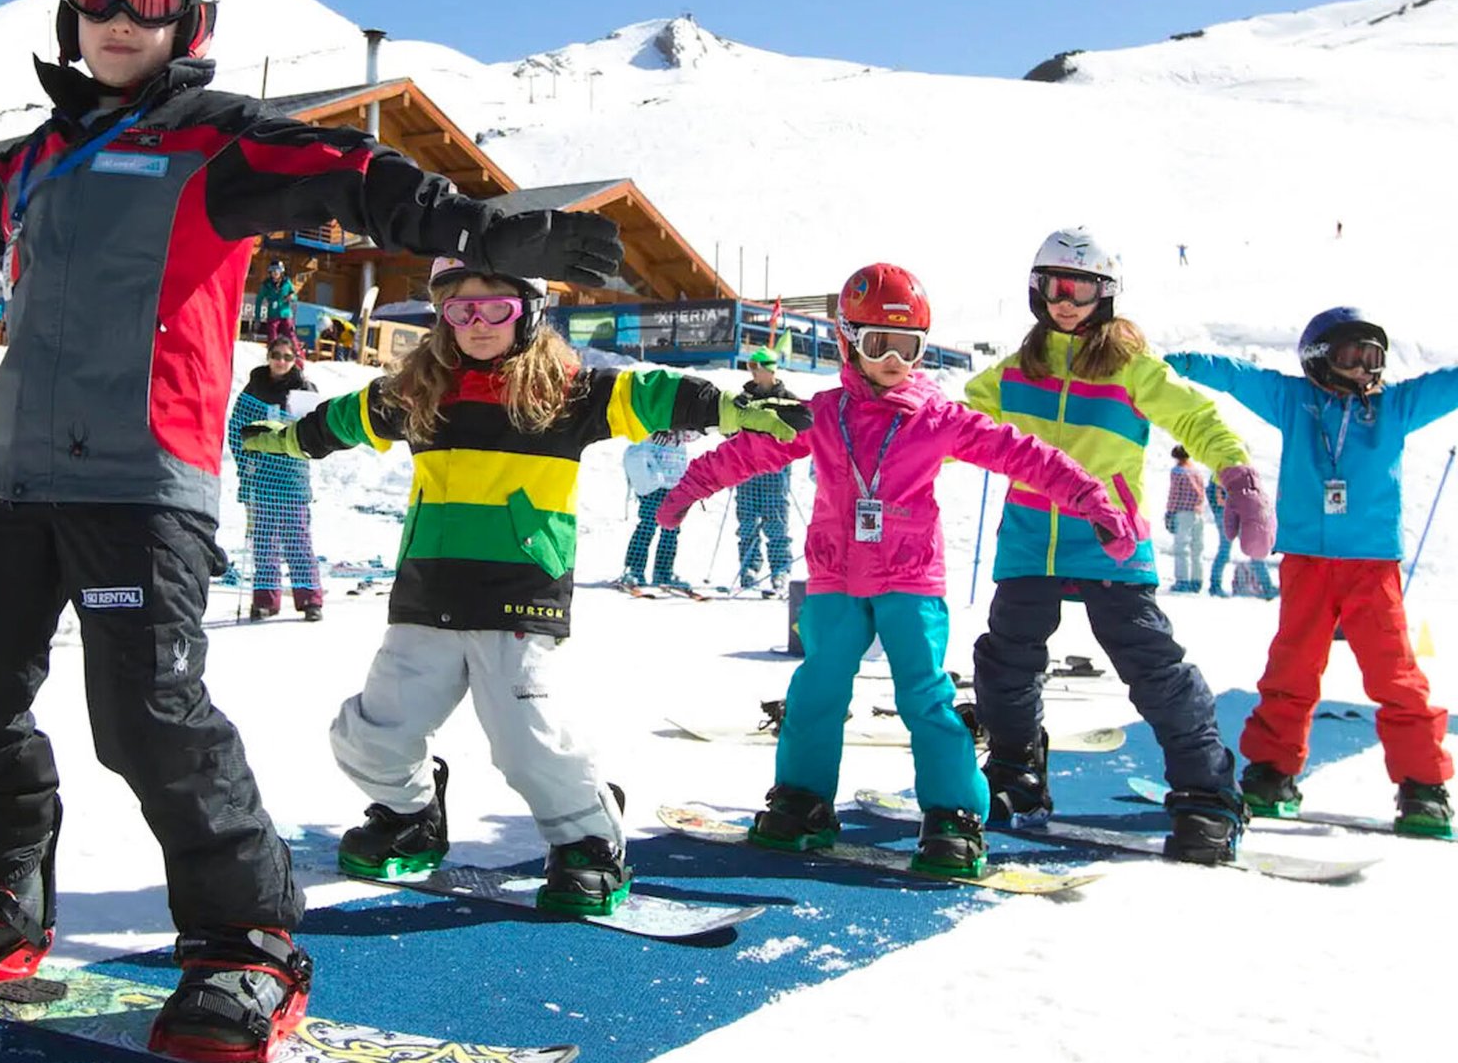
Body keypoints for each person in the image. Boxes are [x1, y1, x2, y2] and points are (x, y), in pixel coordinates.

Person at [0, 0, 620, 1061]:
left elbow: (357, 177)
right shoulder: (38, 160)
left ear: (191, 17)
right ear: (69, 4)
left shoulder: (217, 140)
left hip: (139, 484)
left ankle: (246, 941)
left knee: (148, 719)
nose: (119, 14)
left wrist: (485, 232)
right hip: (11, 484)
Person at [243, 254, 807, 914]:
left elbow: (652, 395)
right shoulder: (419, 389)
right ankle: (410, 812)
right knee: (373, 729)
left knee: (523, 737)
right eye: (460, 310)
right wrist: (290, 439)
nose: (477, 324)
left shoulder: (566, 389)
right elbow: (348, 418)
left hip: (519, 591)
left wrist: (736, 408)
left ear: (529, 312)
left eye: (496, 309)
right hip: (428, 592)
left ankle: (589, 838)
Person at [655, 263, 1141, 881]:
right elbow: (750, 449)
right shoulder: (822, 414)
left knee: (925, 696)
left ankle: (953, 816)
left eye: (907, 346)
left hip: (909, 581)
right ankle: (803, 799)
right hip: (834, 578)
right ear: (846, 343)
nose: (893, 359)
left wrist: (1091, 498)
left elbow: (1024, 454)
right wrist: (686, 489)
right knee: (816, 690)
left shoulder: (937, 419)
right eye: (878, 344)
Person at [962, 229, 1274, 865]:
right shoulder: (1018, 370)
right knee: (1006, 661)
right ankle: (1016, 769)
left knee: (1152, 666)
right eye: (1054, 287)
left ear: (1105, 295)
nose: (1066, 301)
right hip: (1030, 537)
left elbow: (1196, 419)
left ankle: (1207, 792)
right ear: (1036, 291)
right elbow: (959, 418)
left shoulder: (1131, 365)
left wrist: (1236, 473)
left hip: (1109, 541)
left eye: (1080, 289)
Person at [1168, 309, 1458, 835]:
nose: (1367, 370)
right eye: (1355, 356)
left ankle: (1423, 786)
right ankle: (1273, 772)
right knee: (1292, 667)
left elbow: (1448, 385)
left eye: (1374, 359)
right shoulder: (1295, 402)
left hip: (1372, 565)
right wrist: (1177, 364)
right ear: (1319, 359)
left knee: (1395, 674)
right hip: (1307, 562)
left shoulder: (1393, 408)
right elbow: (1236, 376)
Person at [228, 339, 324, 620]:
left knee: (297, 537)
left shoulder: (304, 390)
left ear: (295, 360)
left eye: (287, 357)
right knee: (264, 539)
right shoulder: (254, 388)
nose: (281, 362)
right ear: (268, 357)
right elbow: (237, 427)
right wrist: (245, 461)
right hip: (261, 475)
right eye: (276, 356)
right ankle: (266, 599)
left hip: (292, 474)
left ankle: (309, 599)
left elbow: (315, 428)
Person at [733, 348, 795, 596]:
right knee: (747, 520)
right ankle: (749, 567)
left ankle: (780, 569)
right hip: (747, 468)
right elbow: (730, 427)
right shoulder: (743, 397)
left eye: (755, 367)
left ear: (769, 369)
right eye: (749, 367)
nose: (752, 372)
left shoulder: (788, 399)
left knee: (775, 520)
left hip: (775, 470)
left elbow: (797, 432)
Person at [620, 430, 697, 590]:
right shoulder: (656, 416)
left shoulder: (684, 418)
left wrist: (683, 433)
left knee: (672, 529)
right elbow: (636, 430)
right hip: (653, 480)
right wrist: (652, 433)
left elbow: (698, 431)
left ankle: (663, 572)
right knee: (648, 525)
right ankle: (634, 569)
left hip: (675, 481)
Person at [1165, 444, 1207, 593]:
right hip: (1198, 512)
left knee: (1181, 548)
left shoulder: (1177, 472)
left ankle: (1182, 580)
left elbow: (1174, 494)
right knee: (1197, 548)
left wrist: (1169, 512)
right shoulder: (1197, 471)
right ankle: (1197, 580)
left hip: (1183, 513)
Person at [253, 258, 297, 347]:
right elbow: (259, 300)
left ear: (281, 272)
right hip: (273, 315)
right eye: (273, 271)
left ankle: (297, 355)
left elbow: (294, 296)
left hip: (286, 314)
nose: (275, 273)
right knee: (272, 336)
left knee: (290, 335)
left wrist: (292, 297)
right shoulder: (266, 285)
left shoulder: (286, 283)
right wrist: (257, 318)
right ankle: (273, 355)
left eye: (277, 271)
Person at [1206, 470, 1234, 596]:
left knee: (1225, 550)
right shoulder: (1221, 472)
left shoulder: (1220, 471)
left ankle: (1215, 584)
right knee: (1224, 550)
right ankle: (1215, 585)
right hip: (1226, 514)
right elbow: (1220, 499)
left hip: (1228, 514)